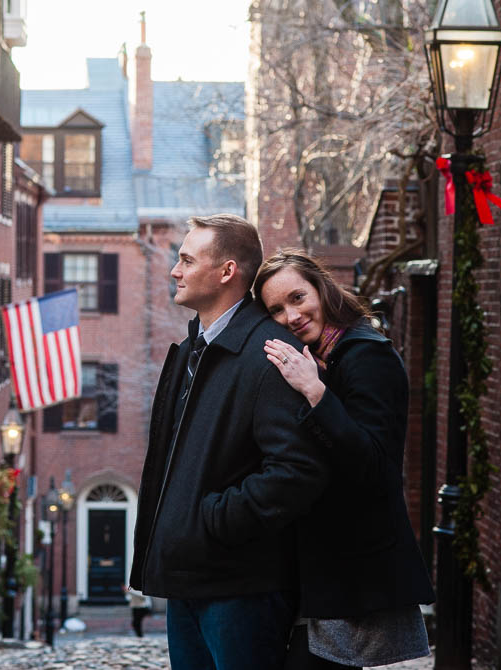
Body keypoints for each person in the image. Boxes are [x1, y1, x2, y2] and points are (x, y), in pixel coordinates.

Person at [130, 214, 331, 670]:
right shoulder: (191, 350)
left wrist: (213, 522)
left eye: (186, 260)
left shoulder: (270, 354)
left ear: (226, 272)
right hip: (188, 582)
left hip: (242, 589)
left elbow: (298, 471)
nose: (175, 271)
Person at [255, 249, 434, 670]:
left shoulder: (367, 355)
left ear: (321, 286)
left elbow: (375, 467)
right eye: (276, 309)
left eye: (298, 298)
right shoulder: (319, 356)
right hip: (318, 569)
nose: (291, 315)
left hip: (353, 569)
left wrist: (316, 393)